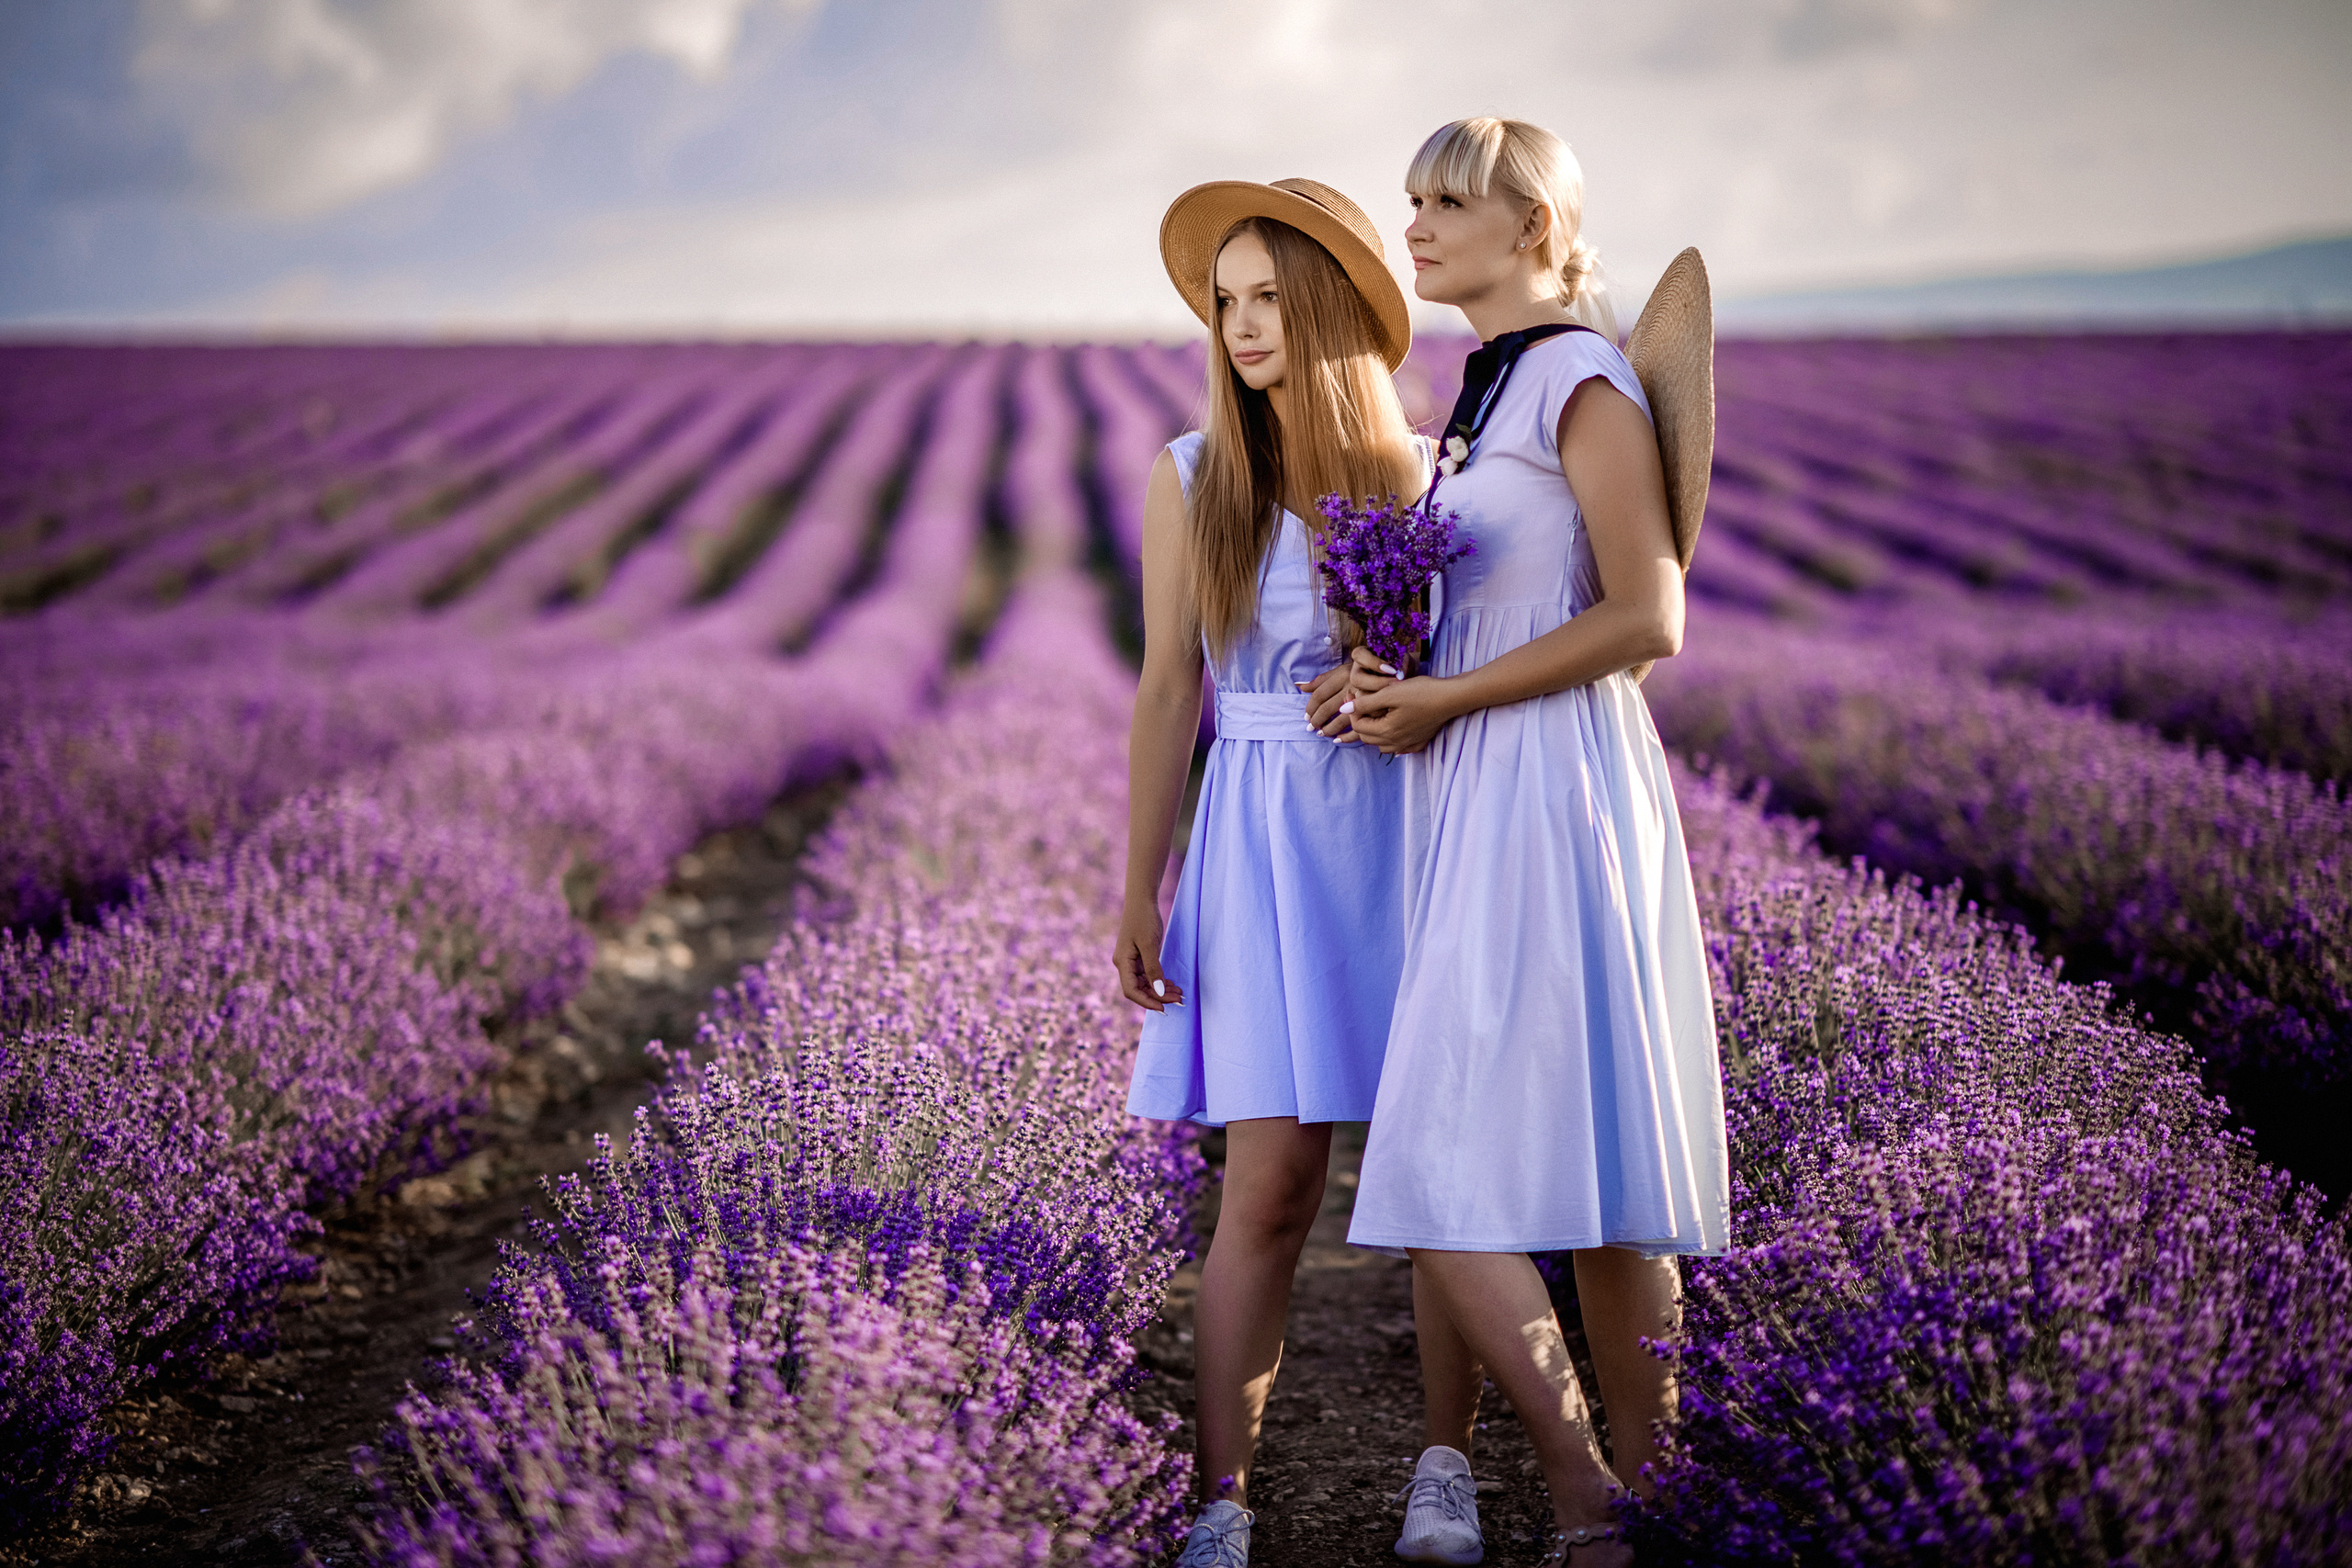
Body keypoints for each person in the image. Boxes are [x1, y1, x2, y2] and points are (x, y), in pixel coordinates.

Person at [1344, 118, 1732, 1567]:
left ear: (1538, 227)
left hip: (1550, 783)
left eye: (1451, 203)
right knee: (1595, 1174)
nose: (1419, 227)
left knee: (1444, 1162)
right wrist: (1388, 678)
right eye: (1413, 202)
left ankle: (1589, 1496)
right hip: (1483, 774)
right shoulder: (1485, 387)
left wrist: (1448, 692)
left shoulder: (1576, 377)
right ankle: (1660, 1511)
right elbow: (1500, 603)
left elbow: (1651, 616)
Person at [1114, 176, 1430, 1568]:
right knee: (1271, 1186)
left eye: (1264, 296)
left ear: (1326, 306)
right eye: (1222, 301)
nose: (1241, 324)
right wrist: (1141, 885)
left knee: (1444, 1182)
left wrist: (1394, 674)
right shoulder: (1193, 475)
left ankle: (1445, 1471)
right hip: (1256, 837)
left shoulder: (1422, 473)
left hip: (1407, 827)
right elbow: (1162, 689)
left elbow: (1466, 669)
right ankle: (1224, 1501)